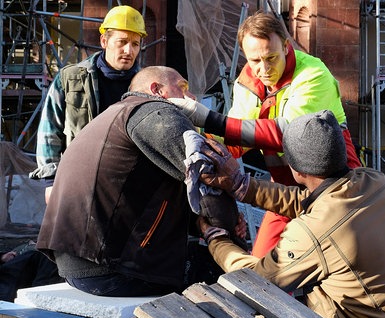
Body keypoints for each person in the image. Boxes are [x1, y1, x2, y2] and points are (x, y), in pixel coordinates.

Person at [194, 110, 385, 318]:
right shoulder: (373, 182)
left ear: (295, 169)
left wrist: (217, 239)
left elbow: (256, 279)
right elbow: (313, 203)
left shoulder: (312, 233)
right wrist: (242, 186)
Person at [36, 66, 244, 297]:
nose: (192, 98)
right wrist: (231, 233)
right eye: (183, 88)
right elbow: (208, 182)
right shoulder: (157, 113)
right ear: (157, 90)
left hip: (79, 264)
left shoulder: (117, 114)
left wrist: (200, 224)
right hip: (109, 269)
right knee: (234, 275)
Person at [170, 11, 362, 257]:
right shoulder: (248, 80)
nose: (264, 68)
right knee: (261, 272)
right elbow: (237, 140)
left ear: (285, 46)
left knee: (338, 263)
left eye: (271, 57)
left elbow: (290, 133)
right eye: (255, 61)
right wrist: (197, 140)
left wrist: (209, 119)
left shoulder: (313, 74)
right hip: (285, 189)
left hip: (334, 189)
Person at [30, 5, 147, 202]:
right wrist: (50, 182)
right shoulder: (71, 78)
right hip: (80, 183)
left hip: (131, 188)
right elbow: (50, 130)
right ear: (104, 41)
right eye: (122, 42)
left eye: (135, 44)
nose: (129, 50)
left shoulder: (147, 85)